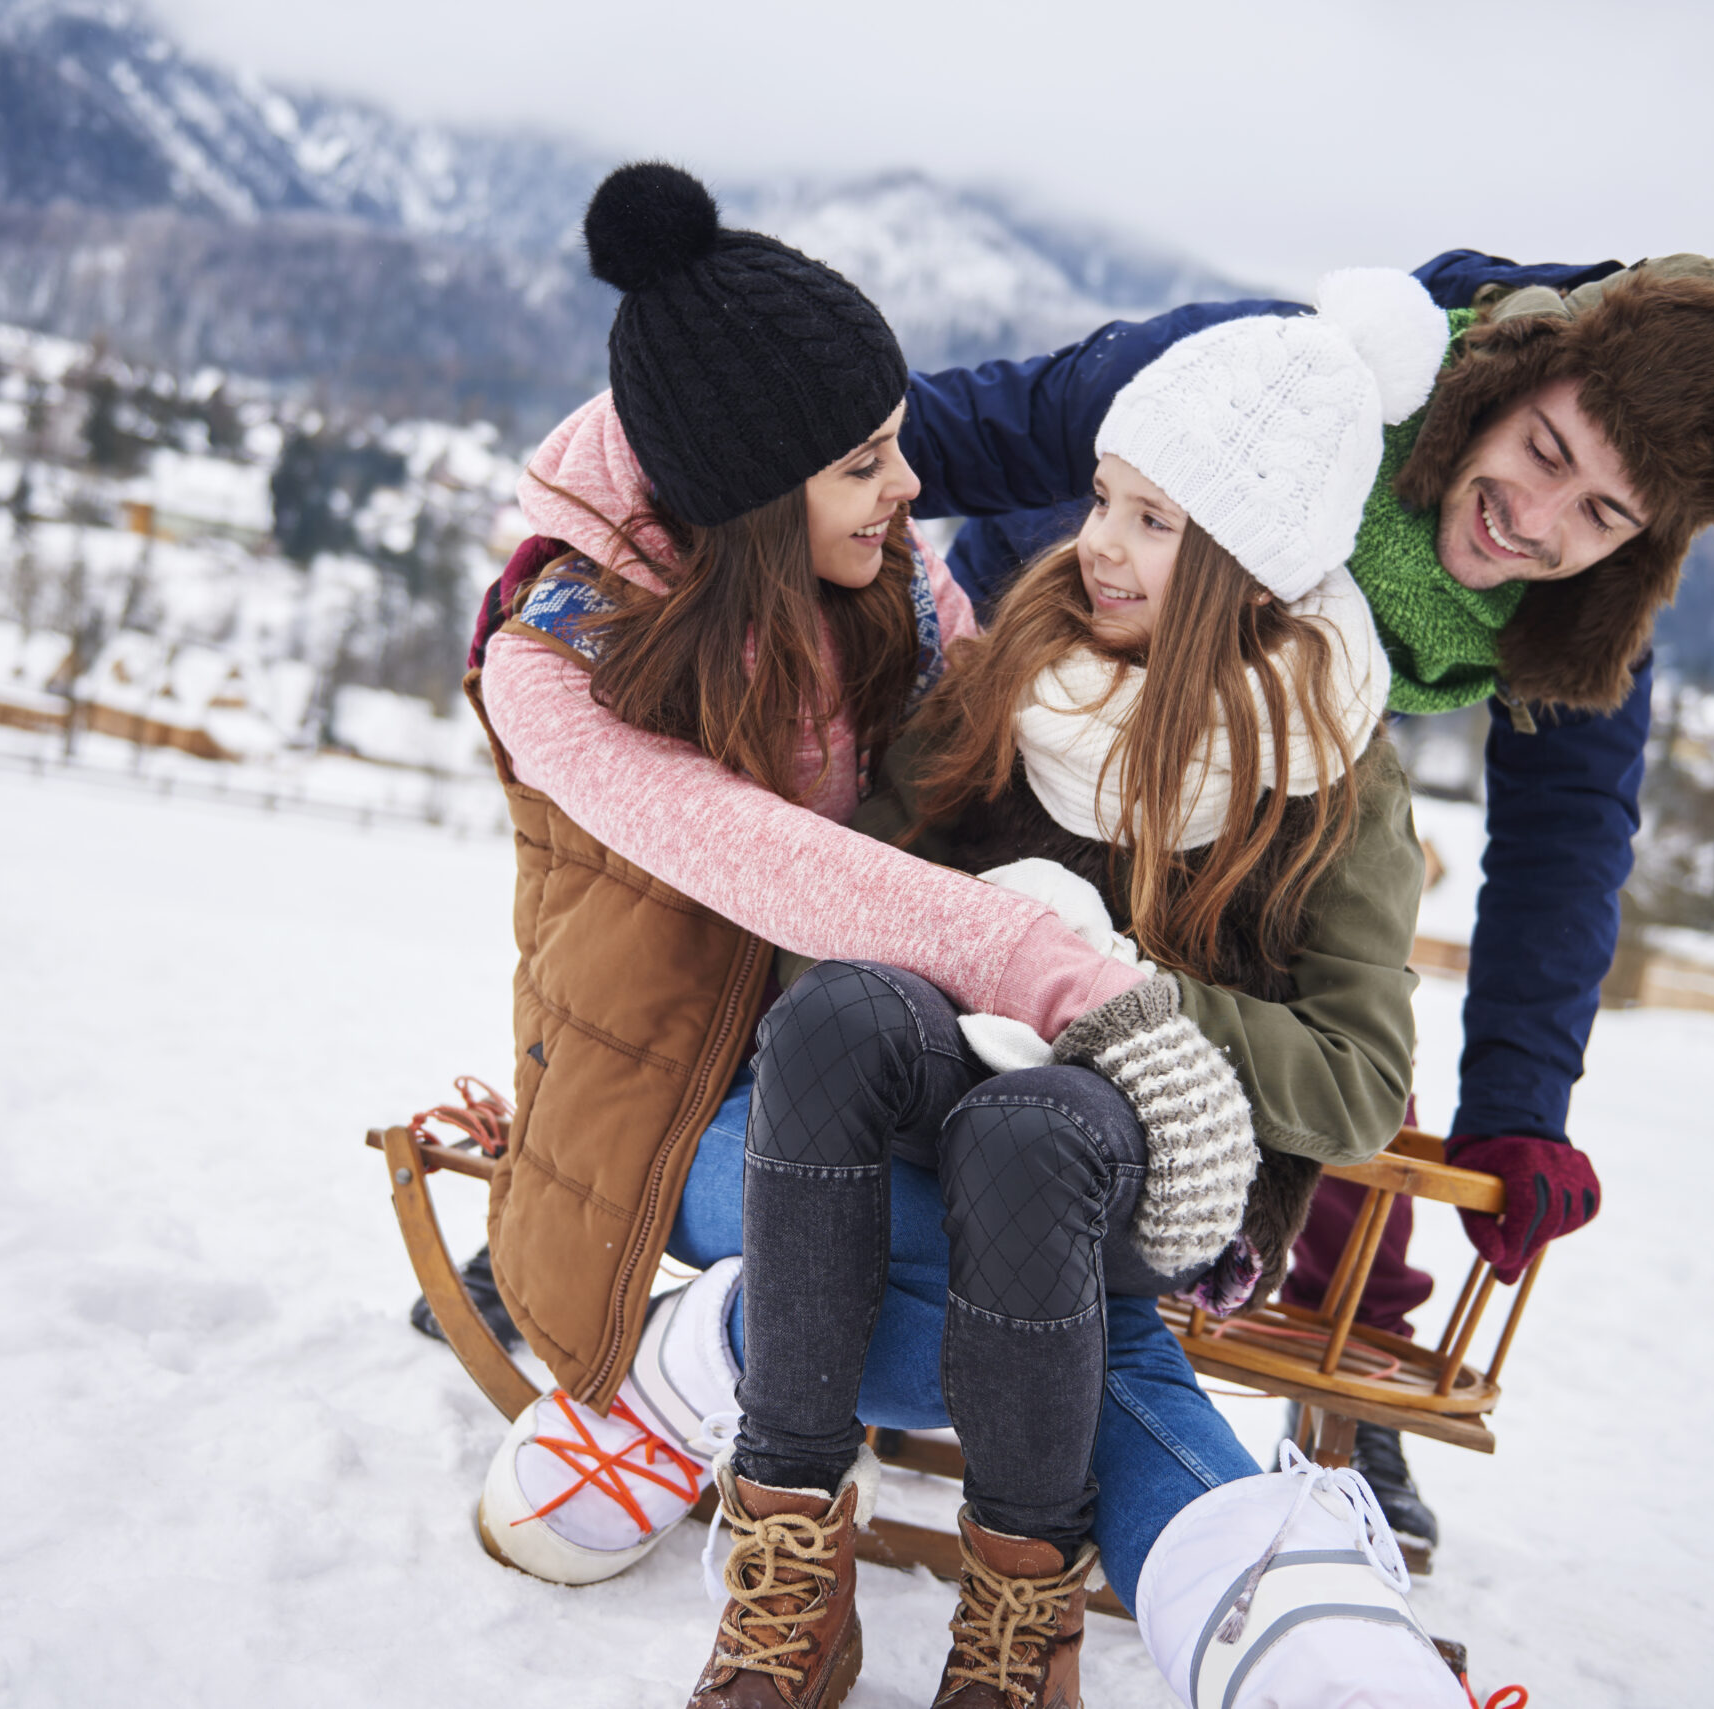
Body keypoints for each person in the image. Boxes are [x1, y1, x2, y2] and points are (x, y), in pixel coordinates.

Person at [461, 162, 1442, 1705]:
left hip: (1007, 1143)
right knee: (1039, 1292)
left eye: (1150, 520)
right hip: (696, 1110)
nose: (919, 490)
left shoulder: (920, 600)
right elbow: (795, 874)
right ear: (756, 495)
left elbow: (1350, 1067)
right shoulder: (565, 656)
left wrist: (1110, 1006)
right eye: (867, 462)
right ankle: (1262, 1618)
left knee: (1019, 1218)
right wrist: (1060, 967)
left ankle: (710, 1379)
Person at [894, 250, 1714, 1558]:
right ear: (1493, 378)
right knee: (907, 943)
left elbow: (1564, 850)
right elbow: (1017, 414)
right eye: (1544, 449)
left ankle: (1336, 1385)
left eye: (1604, 513)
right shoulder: (1309, 368)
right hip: (1052, 656)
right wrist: (806, 439)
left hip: (1261, 772)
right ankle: (732, 1206)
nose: (1538, 522)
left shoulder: (1579, 618)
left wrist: (1518, 1116)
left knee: (1325, 1035)